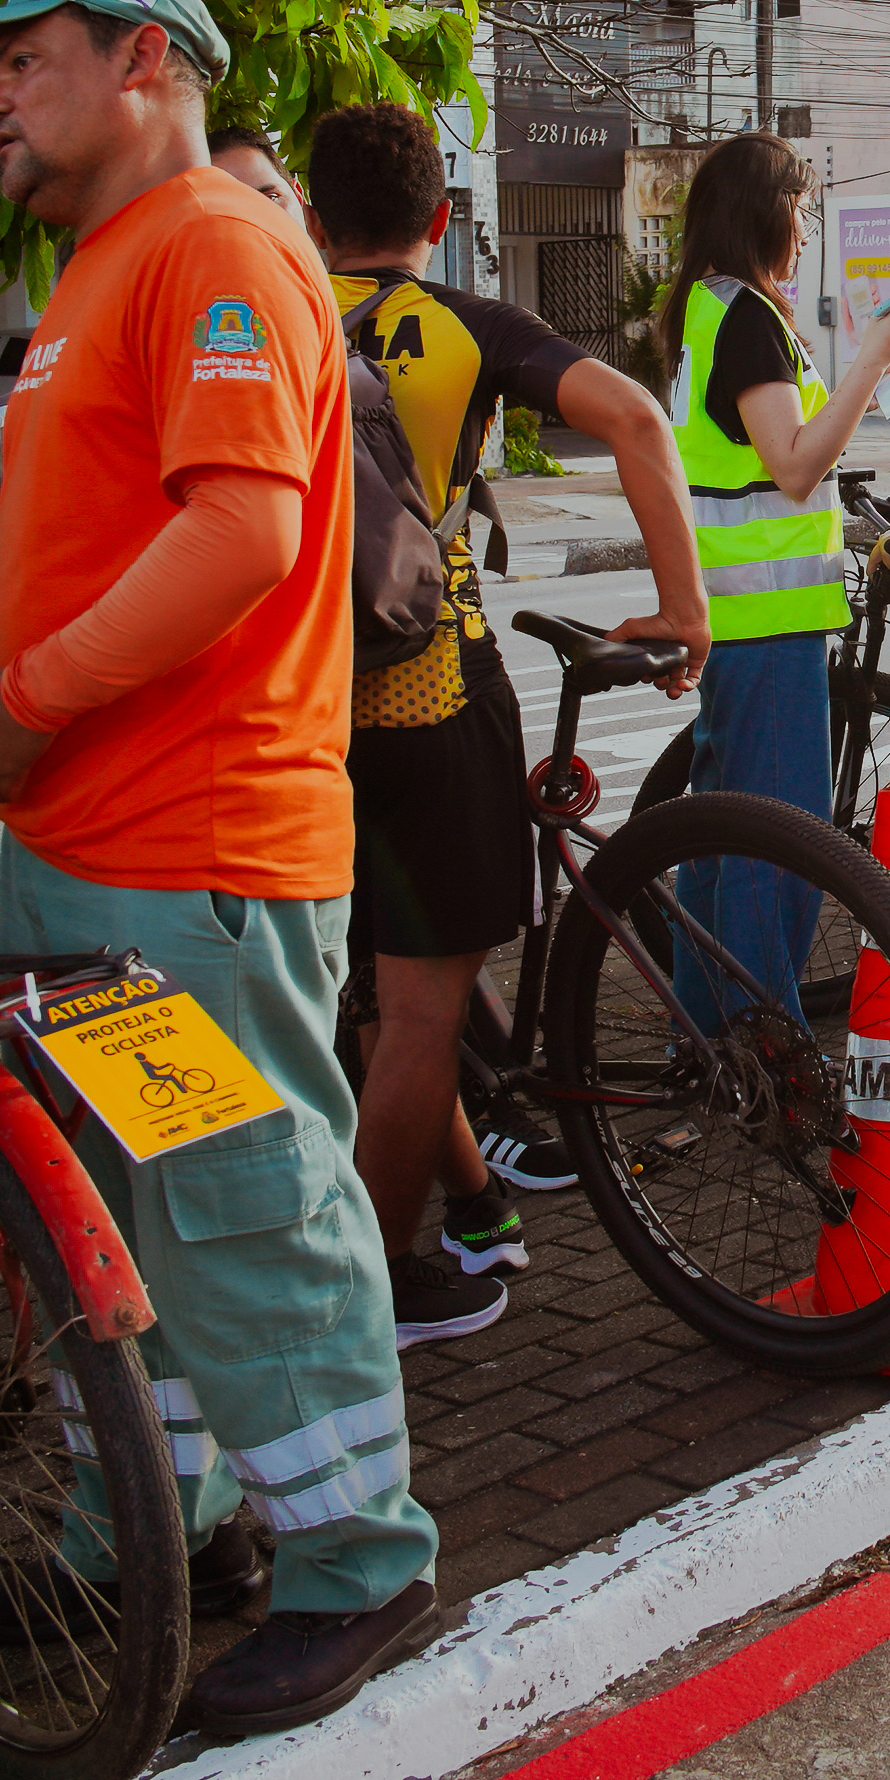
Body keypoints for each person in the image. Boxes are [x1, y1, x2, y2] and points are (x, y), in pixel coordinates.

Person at [0, 0, 443, 1738]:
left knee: (242, 1211)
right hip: (94, 847)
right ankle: (141, 1531)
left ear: (142, 59)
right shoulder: (99, 273)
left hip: (186, 848)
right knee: (128, 1227)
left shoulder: (211, 242)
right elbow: (103, 543)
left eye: (22, 59)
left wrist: (23, 698)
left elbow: (246, 535)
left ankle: (362, 1557)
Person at [306, 103, 708, 1346]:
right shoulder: (466, 324)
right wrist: (682, 603)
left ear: (312, 219)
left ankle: (478, 1203)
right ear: (439, 220)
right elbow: (638, 418)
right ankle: (371, 1289)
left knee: (368, 989)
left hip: (306, 711)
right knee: (429, 1006)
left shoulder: (274, 319)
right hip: (433, 688)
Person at [665, 131, 890, 1020]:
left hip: (733, 622)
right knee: (777, 854)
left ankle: (708, 1038)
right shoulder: (747, 316)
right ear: (771, 212)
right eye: (805, 206)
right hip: (768, 629)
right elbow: (792, 463)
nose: (809, 223)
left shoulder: (706, 309)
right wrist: (871, 362)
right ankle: (759, 1043)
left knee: (722, 844)